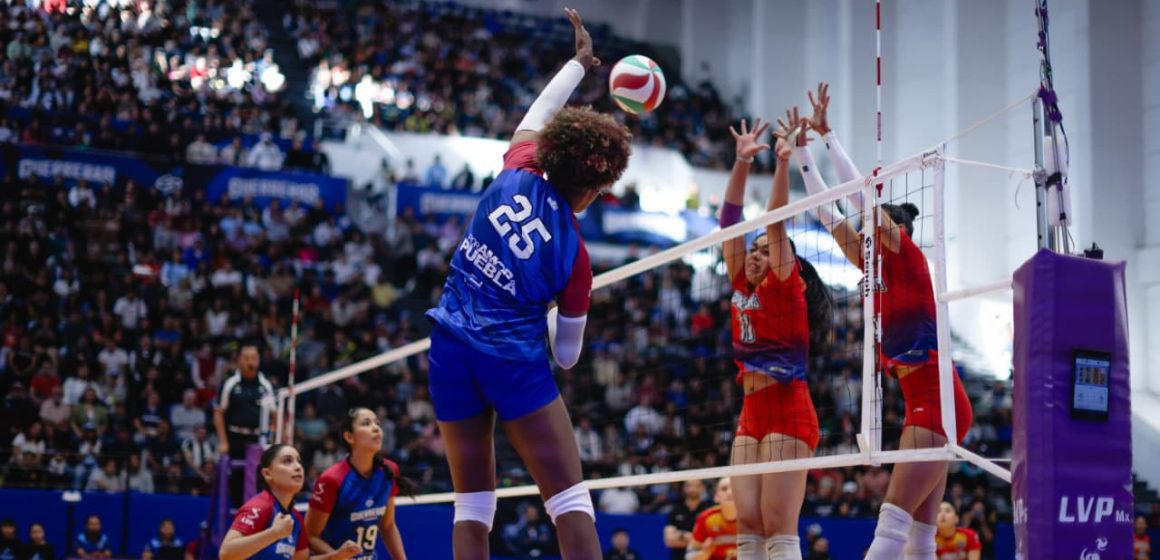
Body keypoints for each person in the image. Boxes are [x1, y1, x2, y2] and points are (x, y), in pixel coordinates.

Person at [423, 8, 630, 560]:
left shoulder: (518, 168)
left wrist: (579, 64)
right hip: (511, 361)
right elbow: (566, 357)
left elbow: (537, 113)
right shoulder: (575, 256)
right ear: (592, 191)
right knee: (568, 498)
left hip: (447, 346)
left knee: (472, 503)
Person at [787, 84, 973, 560]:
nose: (864, 236)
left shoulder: (909, 261)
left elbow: (862, 200)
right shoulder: (871, 270)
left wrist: (830, 137)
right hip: (924, 401)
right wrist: (803, 153)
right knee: (920, 537)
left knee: (891, 525)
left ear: (894, 233)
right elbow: (828, 215)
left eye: (873, 229)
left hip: (937, 399)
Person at [719, 117, 831, 560]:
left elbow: (776, 224)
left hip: (789, 409)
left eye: (765, 251)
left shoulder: (785, 289)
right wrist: (741, 162)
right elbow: (730, 221)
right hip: (751, 411)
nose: (755, 254)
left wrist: (783, 164)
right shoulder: (739, 283)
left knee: (778, 526)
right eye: (754, 249)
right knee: (747, 523)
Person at [306, 408, 409, 560]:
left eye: (377, 423)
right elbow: (310, 535)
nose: (376, 428)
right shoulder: (332, 479)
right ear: (349, 437)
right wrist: (340, 557)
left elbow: (388, 526)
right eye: (366, 423)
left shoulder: (389, 470)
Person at [221, 444, 334, 560]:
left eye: (299, 461)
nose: (298, 467)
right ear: (267, 474)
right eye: (287, 461)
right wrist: (273, 533)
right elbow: (226, 553)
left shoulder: (296, 517)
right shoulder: (260, 507)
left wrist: (339, 555)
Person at [215, 345, 276, 506]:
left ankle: (256, 517)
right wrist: (223, 441)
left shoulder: (266, 385)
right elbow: (218, 412)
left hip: (258, 439)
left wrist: (272, 437)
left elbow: (275, 416)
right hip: (235, 438)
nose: (251, 362)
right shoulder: (230, 383)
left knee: (259, 480)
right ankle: (237, 517)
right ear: (239, 360)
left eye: (254, 358)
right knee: (236, 481)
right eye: (246, 358)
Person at [687, 478, 738, 560]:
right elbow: (689, 557)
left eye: (734, 488)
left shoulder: (751, 518)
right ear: (716, 496)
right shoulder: (706, 518)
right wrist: (706, 552)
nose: (729, 492)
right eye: (724, 489)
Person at [664, 479, 711, 560]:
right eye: (688, 485)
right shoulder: (676, 510)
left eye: (696, 486)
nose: (692, 489)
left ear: (703, 488)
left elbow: (710, 541)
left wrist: (682, 535)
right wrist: (698, 540)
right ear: (684, 488)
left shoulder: (709, 509)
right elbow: (669, 540)